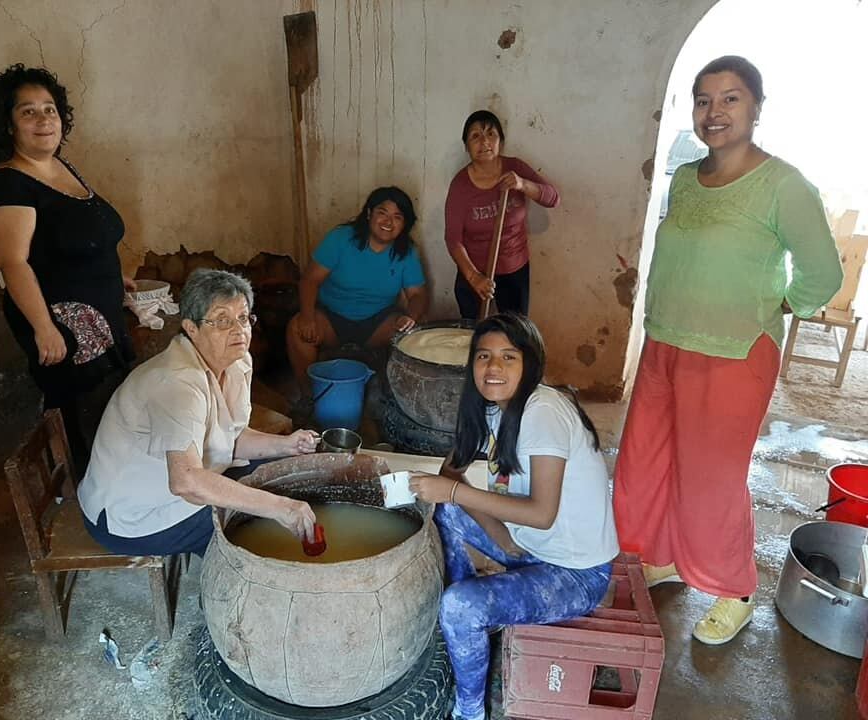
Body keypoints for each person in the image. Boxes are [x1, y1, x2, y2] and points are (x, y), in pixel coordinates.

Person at [613, 56, 844, 645]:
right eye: (704, 99)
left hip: (735, 351)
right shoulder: (687, 178)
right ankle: (660, 557)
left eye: (731, 98)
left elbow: (821, 273)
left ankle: (731, 586)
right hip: (666, 340)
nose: (714, 112)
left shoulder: (784, 185)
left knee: (710, 478)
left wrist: (778, 303)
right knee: (643, 465)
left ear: (757, 108)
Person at [408, 313, 619, 720]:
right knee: (446, 511)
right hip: (529, 545)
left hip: (576, 572)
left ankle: (469, 711)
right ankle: (472, 624)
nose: (494, 367)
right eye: (484, 356)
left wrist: (454, 492)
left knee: (459, 606)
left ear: (531, 363)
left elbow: (542, 513)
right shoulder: (489, 409)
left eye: (509, 357)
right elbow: (449, 475)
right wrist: (499, 534)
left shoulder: (542, 411)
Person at [78, 269, 319, 557]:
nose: (239, 330)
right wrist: (281, 507)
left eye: (243, 318)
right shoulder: (177, 383)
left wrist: (286, 445)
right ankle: (230, 591)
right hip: (128, 516)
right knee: (250, 522)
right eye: (221, 321)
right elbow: (185, 481)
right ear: (191, 328)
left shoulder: (237, 361)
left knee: (273, 475)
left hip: (176, 482)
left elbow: (230, 436)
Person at [0, 64, 135, 472]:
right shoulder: (7, 183)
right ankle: (88, 495)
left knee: (112, 407)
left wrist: (112, 276)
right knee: (82, 412)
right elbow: (12, 262)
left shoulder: (62, 168)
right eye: (27, 111)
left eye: (49, 109)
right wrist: (43, 328)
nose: (43, 119)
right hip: (63, 323)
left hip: (101, 312)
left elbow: (76, 238)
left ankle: (115, 485)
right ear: (8, 125)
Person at [286, 186, 428, 395]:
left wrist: (411, 317)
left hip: (377, 323)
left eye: (397, 217)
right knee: (297, 328)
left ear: (404, 224)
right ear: (369, 213)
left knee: (415, 333)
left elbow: (417, 295)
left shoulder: (406, 251)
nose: (388, 222)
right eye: (382, 213)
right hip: (331, 318)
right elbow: (310, 280)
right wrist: (308, 317)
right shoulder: (341, 239)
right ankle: (309, 396)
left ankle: (394, 399)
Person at [444, 110, 559, 319]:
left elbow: (552, 198)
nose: (484, 141)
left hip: (515, 268)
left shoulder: (515, 167)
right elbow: (453, 239)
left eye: (491, 134)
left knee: (514, 333)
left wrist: (523, 184)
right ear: (466, 146)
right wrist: (474, 278)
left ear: (501, 141)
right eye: (475, 136)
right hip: (474, 271)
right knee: (475, 335)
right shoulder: (460, 185)